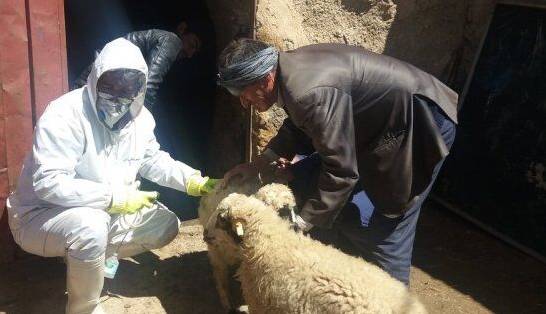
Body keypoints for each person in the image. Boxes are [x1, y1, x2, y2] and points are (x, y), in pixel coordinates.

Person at [218, 39, 458, 285]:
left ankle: (392, 302)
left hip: (419, 122)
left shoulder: (308, 92)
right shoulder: (288, 72)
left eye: (242, 92)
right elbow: (301, 125)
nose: (243, 102)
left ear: (265, 79)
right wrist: (257, 165)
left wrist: (301, 223)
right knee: (334, 204)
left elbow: (341, 171)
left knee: (386, 228)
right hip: (380, 125)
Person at [6, 38, 217, 314]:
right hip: (42, 216)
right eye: (110, 89)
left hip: (104, 212)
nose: (117, 101)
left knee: (165, 224)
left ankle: (87, 258)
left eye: (126, 92)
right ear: (95, 79)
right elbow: (48, 183)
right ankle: (85, 307)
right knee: (89, 226)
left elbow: (152, 160)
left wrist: (193, 181)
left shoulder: (141, 120)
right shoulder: (65, 114)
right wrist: (113, 198)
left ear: (139, 91)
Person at [73, 22, 201, 111]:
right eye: (192, 45)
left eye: (194, 52)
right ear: (182, 29)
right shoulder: (173, 41)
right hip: (101, 83)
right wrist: (144, 127)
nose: (190, 54)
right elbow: (148, 86)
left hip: (100, 80)